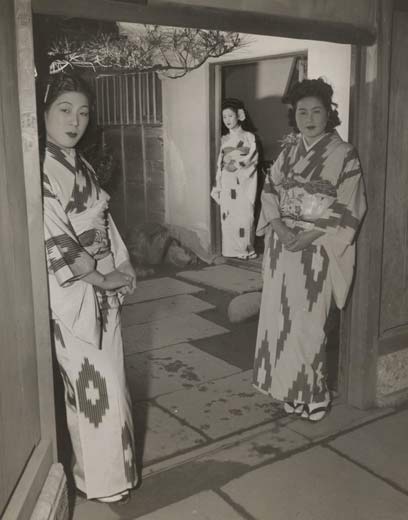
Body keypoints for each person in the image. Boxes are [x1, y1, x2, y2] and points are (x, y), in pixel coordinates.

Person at [41, 72, 138, 502]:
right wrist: (99, 275)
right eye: (64, 109)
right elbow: (54, 234)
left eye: (82, 112)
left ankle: (109, 474)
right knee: (90, 383)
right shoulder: (41, 167)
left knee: (111, 378)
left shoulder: (78, 162)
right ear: (44, 112)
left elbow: (104, 221)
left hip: (101, 283)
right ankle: (96, 478)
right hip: (75, 291)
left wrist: (122, 261)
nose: (75, 120)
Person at [252, 78, 367, 422]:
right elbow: (269, 192)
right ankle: (290, 390)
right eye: (302, 112)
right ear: (294, 116)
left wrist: (310, 233)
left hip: (317, 249)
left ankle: (314, 393)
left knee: (308, 323)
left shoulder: (344, 154)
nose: (309, 118)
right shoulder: (288, 152)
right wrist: (280, 227)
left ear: (329, 114)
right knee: (279, 320)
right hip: (282, 245)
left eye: (317, 111)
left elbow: (351, 204)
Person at [211, 98, 259, 259]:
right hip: (227, 180)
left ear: (239, 115)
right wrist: (219, 181)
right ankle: (230, 250)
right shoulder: (223, 139)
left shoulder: (249, 137)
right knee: (229, 216)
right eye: (224, 117)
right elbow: (220, 163)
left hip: (244, 181)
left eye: (230, 116)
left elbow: (253, 159)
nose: (227, 120)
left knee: (245, 216)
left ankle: (246, 249)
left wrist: (238, 166)